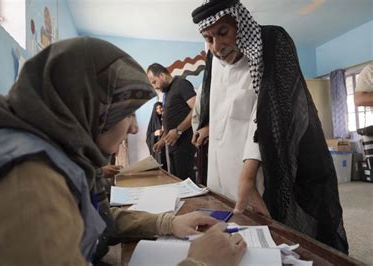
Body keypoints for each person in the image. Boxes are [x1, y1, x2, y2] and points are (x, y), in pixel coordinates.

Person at [0, 37, 247, 265]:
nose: (135, 128)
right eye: (126, 113)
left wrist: (168, 222)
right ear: (89, 106)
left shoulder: (48, 152)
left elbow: (94, 218)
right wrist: (199, 263)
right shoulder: (30, 181)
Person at [191, 0, 349, 253]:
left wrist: (248, 177)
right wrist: (208, 124)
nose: (217, 47)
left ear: (240, 24)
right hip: (220, 175)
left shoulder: (270, 45)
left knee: (270, 243)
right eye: (208, 39)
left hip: (258, 173)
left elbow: (269, 116)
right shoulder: (213, 61)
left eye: (223, 32)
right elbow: (215, 103)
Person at [147, 64, 197, 182]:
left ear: (162, 76)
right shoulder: (167, 93)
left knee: (186, 183)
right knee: (177, 181)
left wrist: (179, 131)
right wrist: (162, 141)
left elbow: (196, 109)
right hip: (173, 146)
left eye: (154, 82)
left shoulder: (181, 84)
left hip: (185, 145)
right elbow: (171, 123)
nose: (155, 87)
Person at [146, 102, 168, 170]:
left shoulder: (167, 118)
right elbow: (148, 137)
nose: (159, 109)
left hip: (168, 145)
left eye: (160, 107)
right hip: (159, 149)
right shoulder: (153, 121)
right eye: (157, 108)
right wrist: (155, 134)